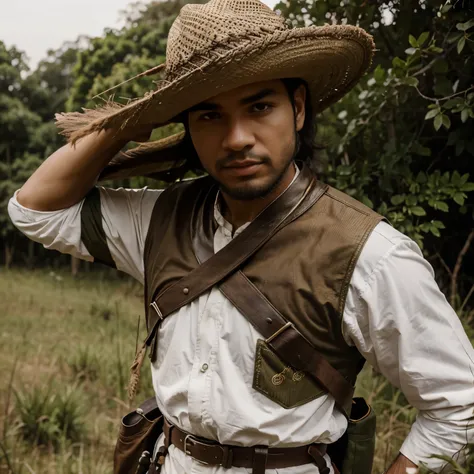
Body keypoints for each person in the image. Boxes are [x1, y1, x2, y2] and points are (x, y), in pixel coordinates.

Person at [8, 1, 474, 473]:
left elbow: (460, 402)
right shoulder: (159, 220)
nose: (236, 138)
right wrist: (129, 122)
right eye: (209, 115)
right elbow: (35, 212)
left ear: (297, 108)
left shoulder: (369, 252)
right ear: (187, 127)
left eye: (259, 107)